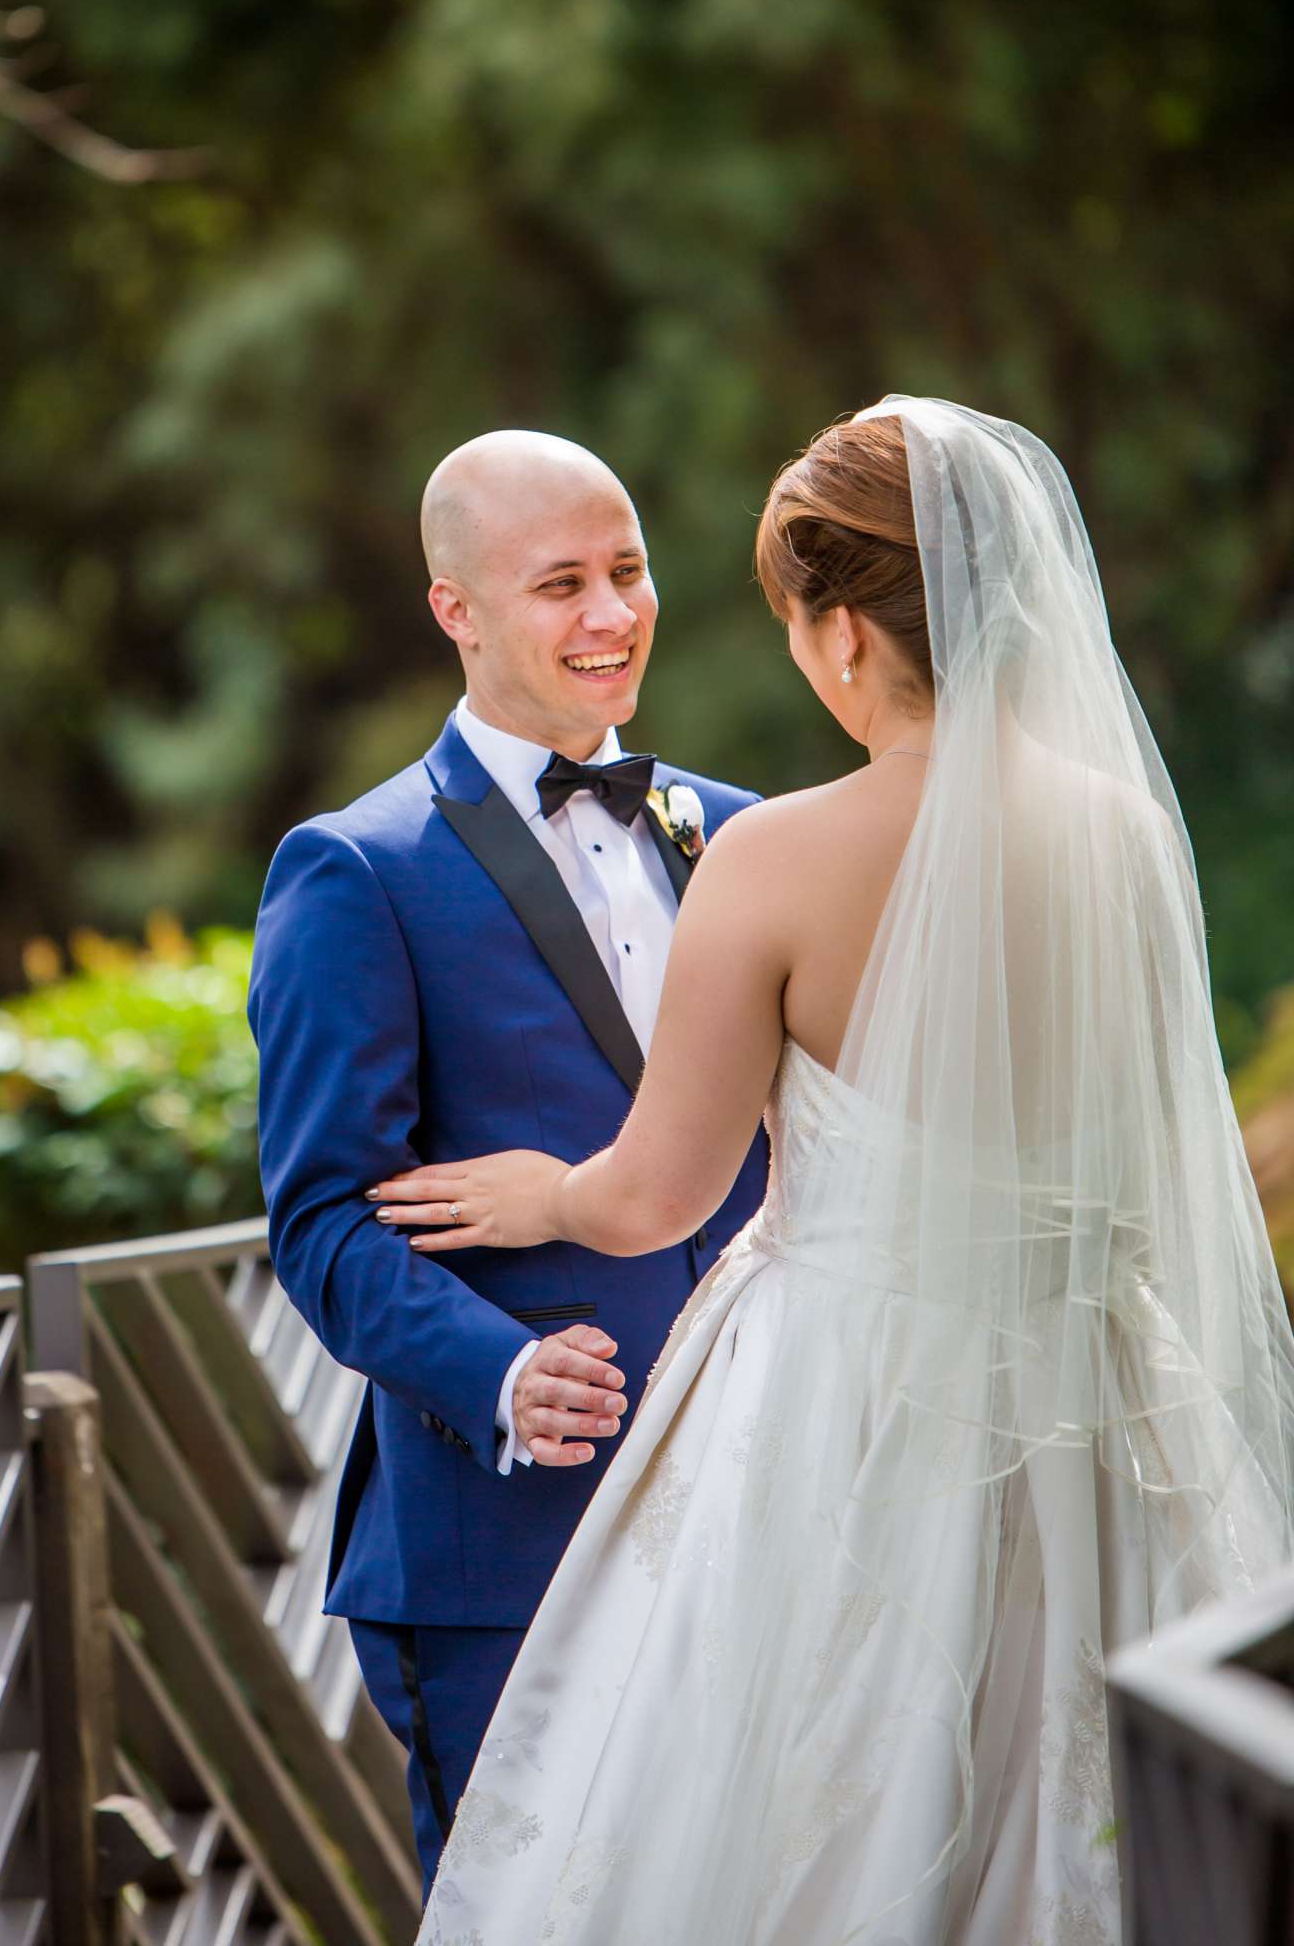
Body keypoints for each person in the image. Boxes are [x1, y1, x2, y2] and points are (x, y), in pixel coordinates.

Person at [375, 397, 1294, 1946]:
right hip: (1103, 1387)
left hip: (852, 1409)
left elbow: (655, 1193)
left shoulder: (780, 856)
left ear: (848, 635)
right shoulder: (1131, 837)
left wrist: (541, 1194)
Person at [246, 429, 771, 1896]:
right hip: (506, 1551)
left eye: (628, 570)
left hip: (762, 1508)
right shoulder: (356, 872)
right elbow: (327, 1224)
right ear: (455, 609)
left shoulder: (741, 838)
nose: (613, 613)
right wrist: (496, 1372)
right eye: (561, 585)